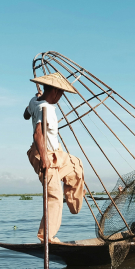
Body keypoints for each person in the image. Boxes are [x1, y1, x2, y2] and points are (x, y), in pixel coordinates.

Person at [24, 72, 84, 243]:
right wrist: (44, 159)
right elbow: (37, 134)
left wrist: (34, 104)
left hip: (55, 152)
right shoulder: (46, 108)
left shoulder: (34, 101)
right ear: (56, 92)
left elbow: (25, 114)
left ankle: (73, 203)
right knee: (54, 197)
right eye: (61, 94)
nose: (60, 97)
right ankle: (46, 237)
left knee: (76, 165)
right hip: (44, 153)